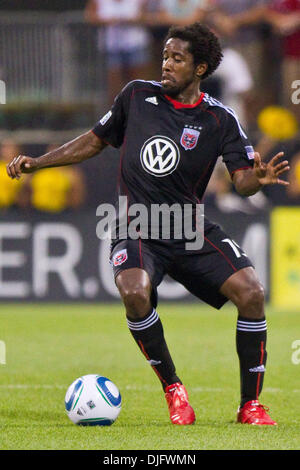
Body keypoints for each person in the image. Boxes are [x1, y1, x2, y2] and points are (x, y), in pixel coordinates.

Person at [7, 23, 290, 426]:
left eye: (178, 59)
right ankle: (174, 389)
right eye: (165, 56)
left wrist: (253, 180)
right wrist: (38, 162)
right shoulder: (137, 95)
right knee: (135, 290)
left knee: (252, 292)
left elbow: (242, 179)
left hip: (188, 227)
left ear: (200, 68)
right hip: (136, 223)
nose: (167, 65)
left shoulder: (219, 119)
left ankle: (251, 406)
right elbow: (93, 140)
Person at [85, 0, 151, 106]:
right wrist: (106, 21)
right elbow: (89, 16)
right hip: (111, 46)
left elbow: (147, 16)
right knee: (113, 84)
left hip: (134, 43)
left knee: (138, 82)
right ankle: (116, 114)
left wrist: (132, 20)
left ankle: (140, 111)